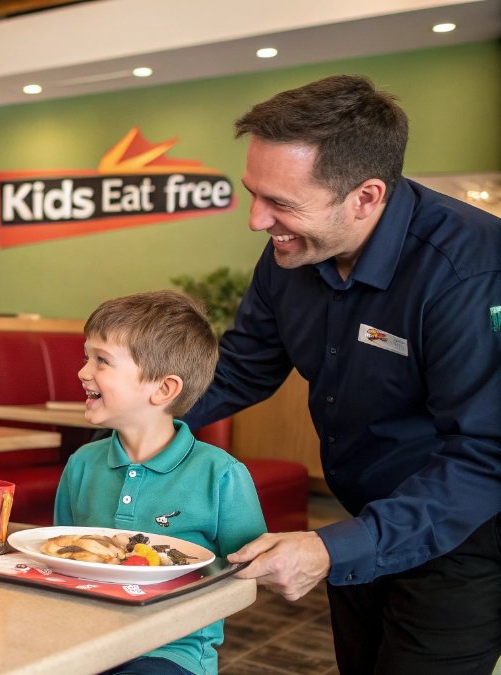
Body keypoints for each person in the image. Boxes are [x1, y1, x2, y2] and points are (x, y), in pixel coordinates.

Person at [183, 75, 501, 674]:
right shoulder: (292, 250)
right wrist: (146, 415)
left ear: (365, 196)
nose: (257, 220)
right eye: (254, 192)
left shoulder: (470, 273)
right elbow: (243, 368)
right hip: (359, 520)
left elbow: (485, 457)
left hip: (463, 537)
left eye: (281, 202)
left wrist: (333, 548)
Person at [55, 290, 266, 675]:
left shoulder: (220, 474)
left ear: (164, 389)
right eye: (86, 357)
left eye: (102, 360)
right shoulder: (82, 464)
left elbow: (246, 575)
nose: (84, 372)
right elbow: (61, 555)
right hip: (83, 638)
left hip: (172, 650)